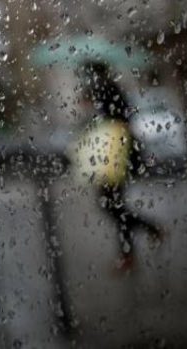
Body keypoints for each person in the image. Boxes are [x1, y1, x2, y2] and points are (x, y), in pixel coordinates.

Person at [72, 62, 164, 272]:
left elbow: (117, 119)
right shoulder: (109, 88)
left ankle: (138, 244)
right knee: (115, 205)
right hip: (115, 152)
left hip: (116, 154)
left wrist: (90, 99)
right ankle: (139, 242)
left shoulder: (108, 89)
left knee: (112, 205)